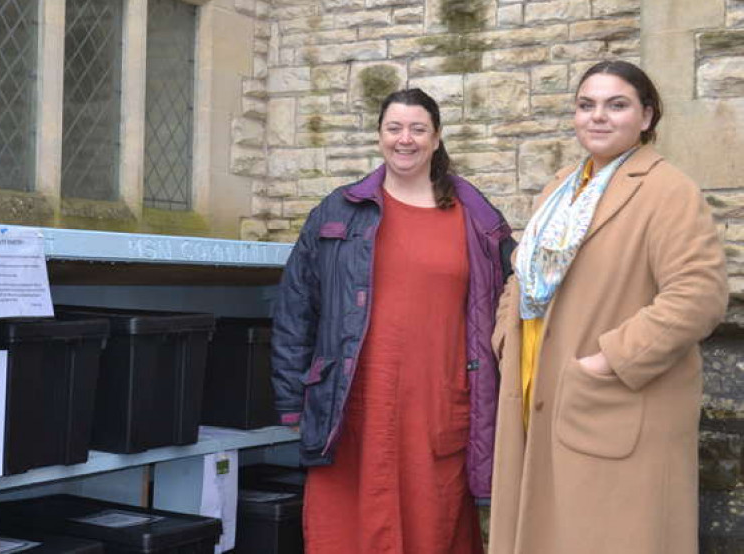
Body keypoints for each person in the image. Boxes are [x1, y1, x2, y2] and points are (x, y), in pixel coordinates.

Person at [488, 60, 729, 554]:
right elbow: (522, 270)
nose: (597, 116)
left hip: (612, 397)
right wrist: (505, 335)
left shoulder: (667, 190)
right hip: (537, 380)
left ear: (646, 117)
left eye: (616, 105)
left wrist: (610, 360)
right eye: (586, 105)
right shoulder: (560, 187)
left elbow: (699, 295)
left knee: (607, 535)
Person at [271, 88, 516, 554]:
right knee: (344, 533)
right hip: (352, 408)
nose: (406, 139)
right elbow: (295, 308)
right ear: (380, 135)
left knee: (434, 530)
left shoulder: (477, 220)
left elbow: (512, 304)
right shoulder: (338, 211)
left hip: (439, 409)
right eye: (394, 128)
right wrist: (290, 400)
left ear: (437, 137)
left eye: (418, 129)